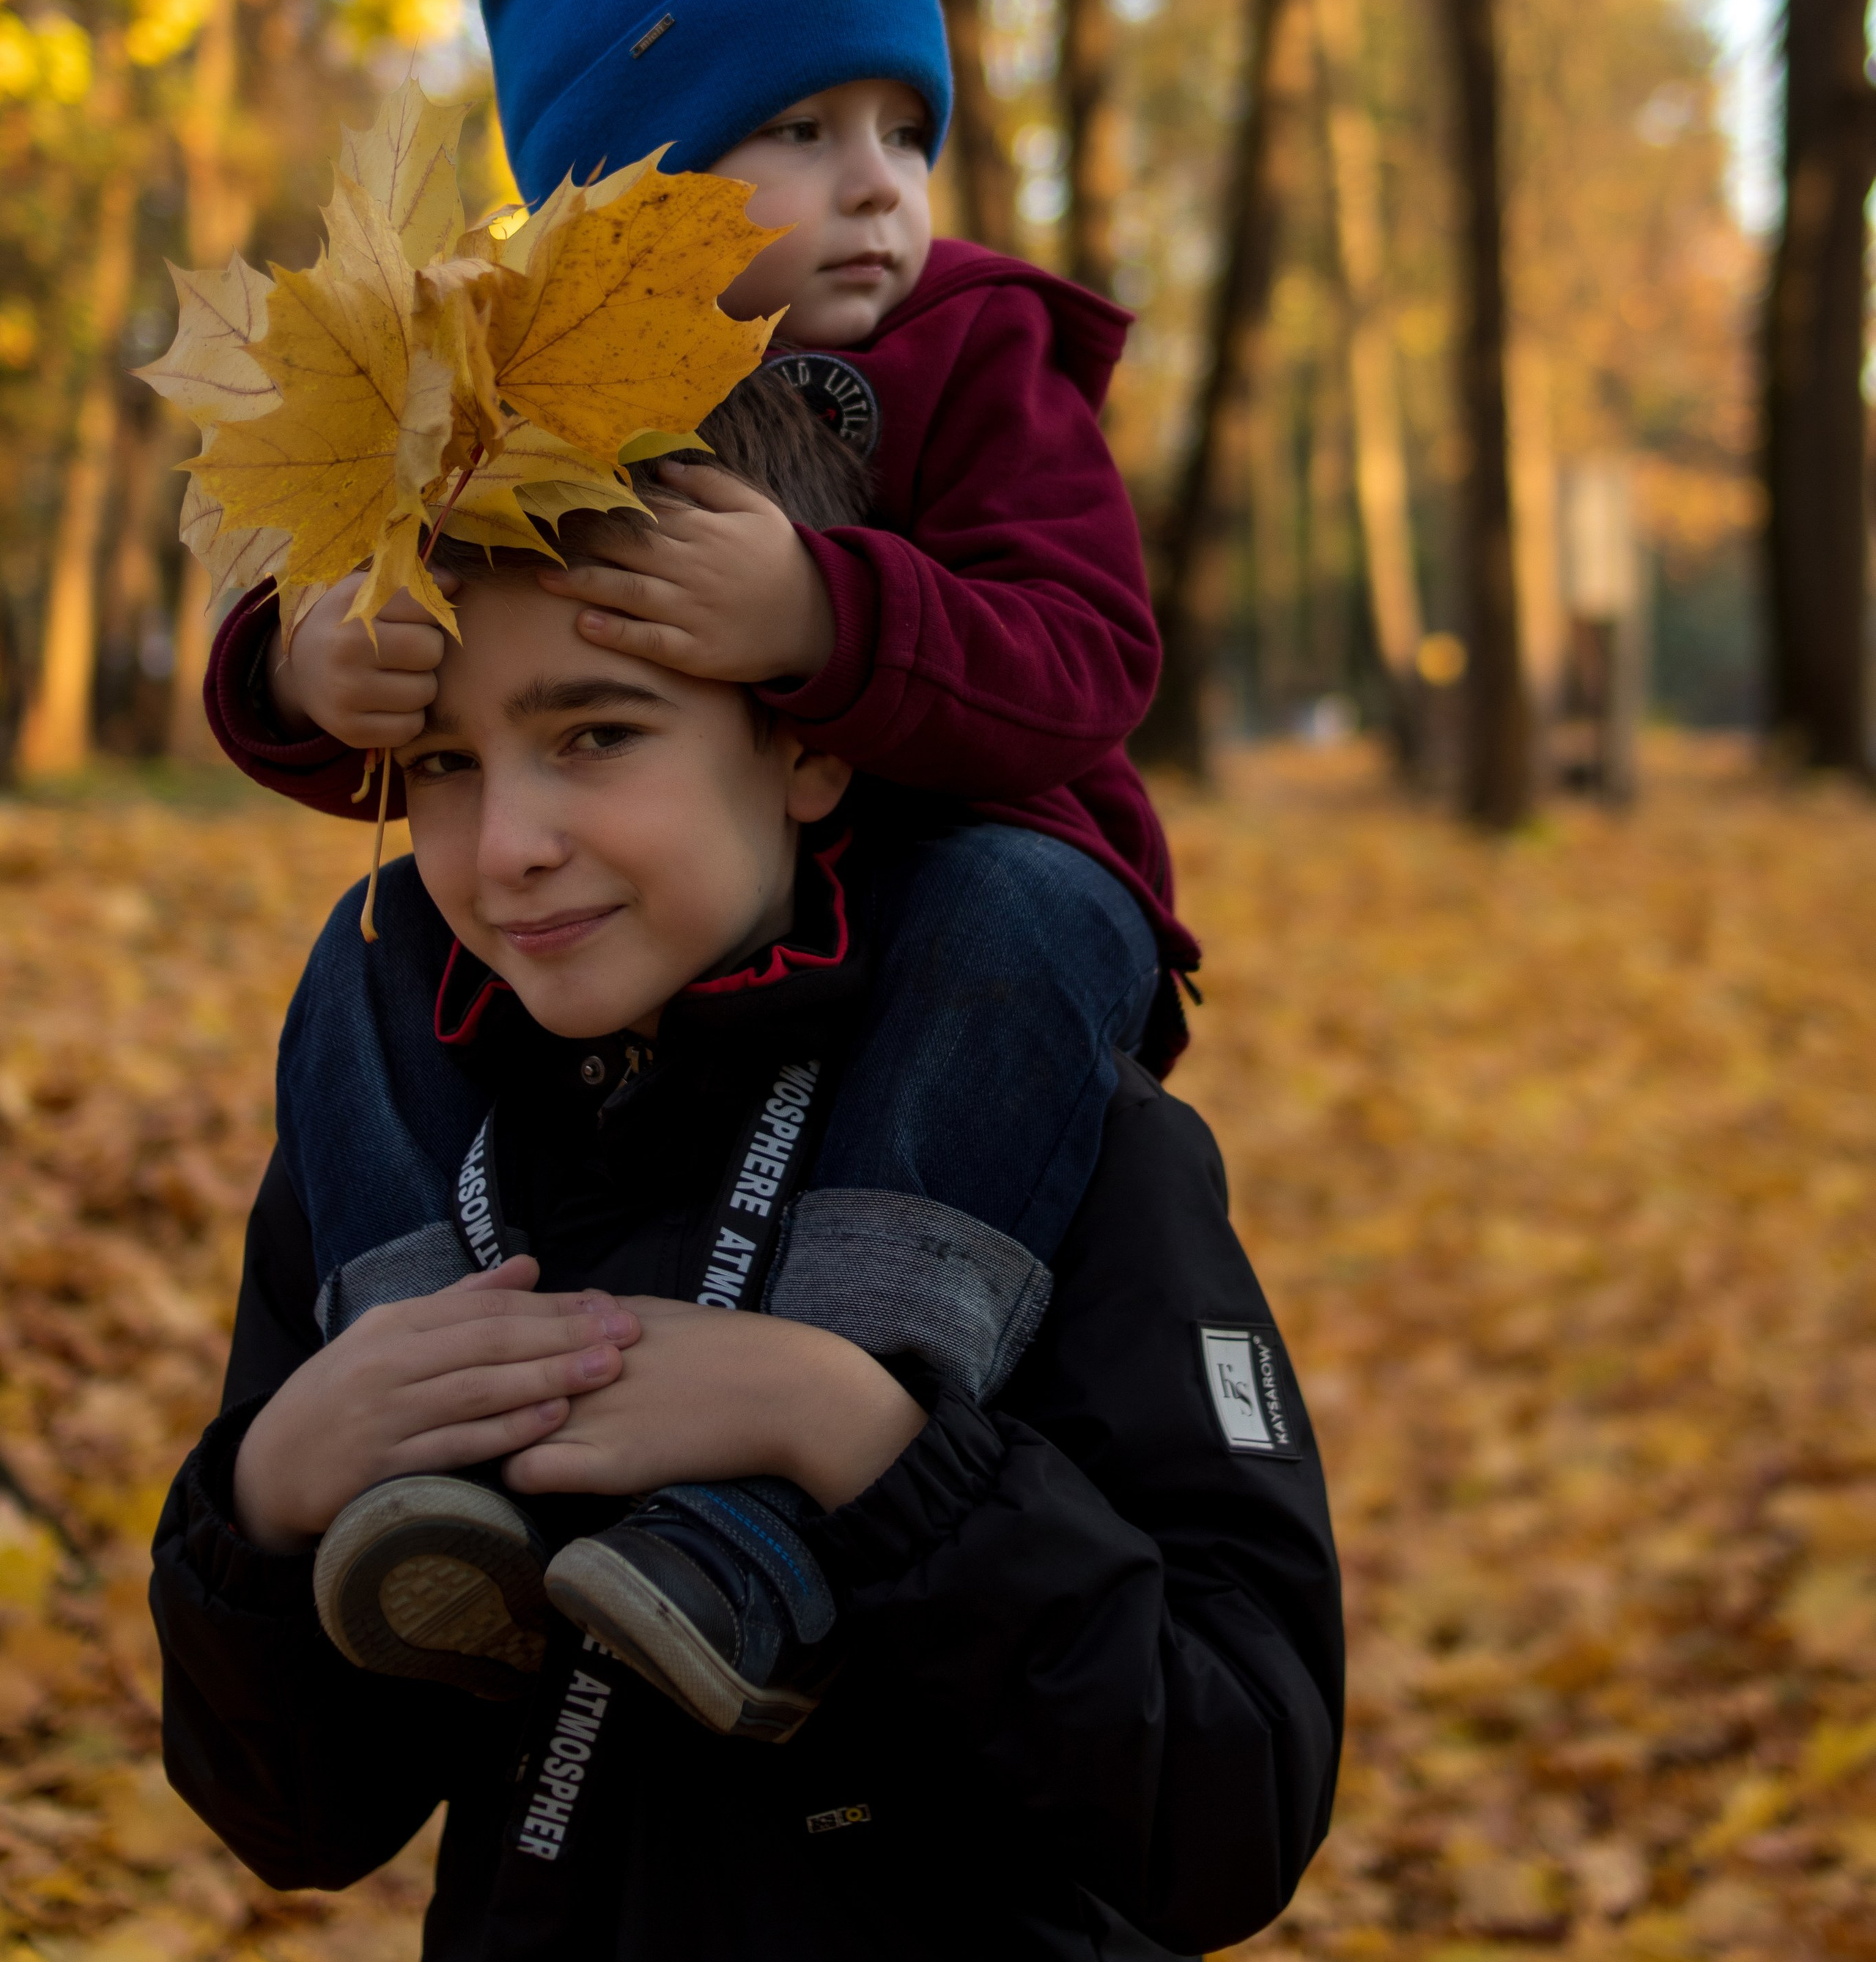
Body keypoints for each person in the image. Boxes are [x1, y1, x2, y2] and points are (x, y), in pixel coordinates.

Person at [199, 0, 1200, 1730]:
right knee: (372, 942)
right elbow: (422, 631)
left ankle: (785, 1475)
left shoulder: (974, 351)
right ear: (623, 198)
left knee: (1016, 891)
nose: (878, 189)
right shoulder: (522, 376)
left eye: (904, 130)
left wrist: (832, 610)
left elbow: (1094, 666)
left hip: (990, 912)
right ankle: (437, 1397)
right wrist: (313, 662)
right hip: (685, 925)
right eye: (798, 134)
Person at [151, 386, 1343, 1960]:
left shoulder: (1069, 1141)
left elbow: (1230, 1807)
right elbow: (295, 1819)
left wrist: (858, 1438)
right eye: (441, 762)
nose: (508, 841)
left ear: (805, 742)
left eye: (596, 732)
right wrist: (268, 1496)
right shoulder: (410, 1171)